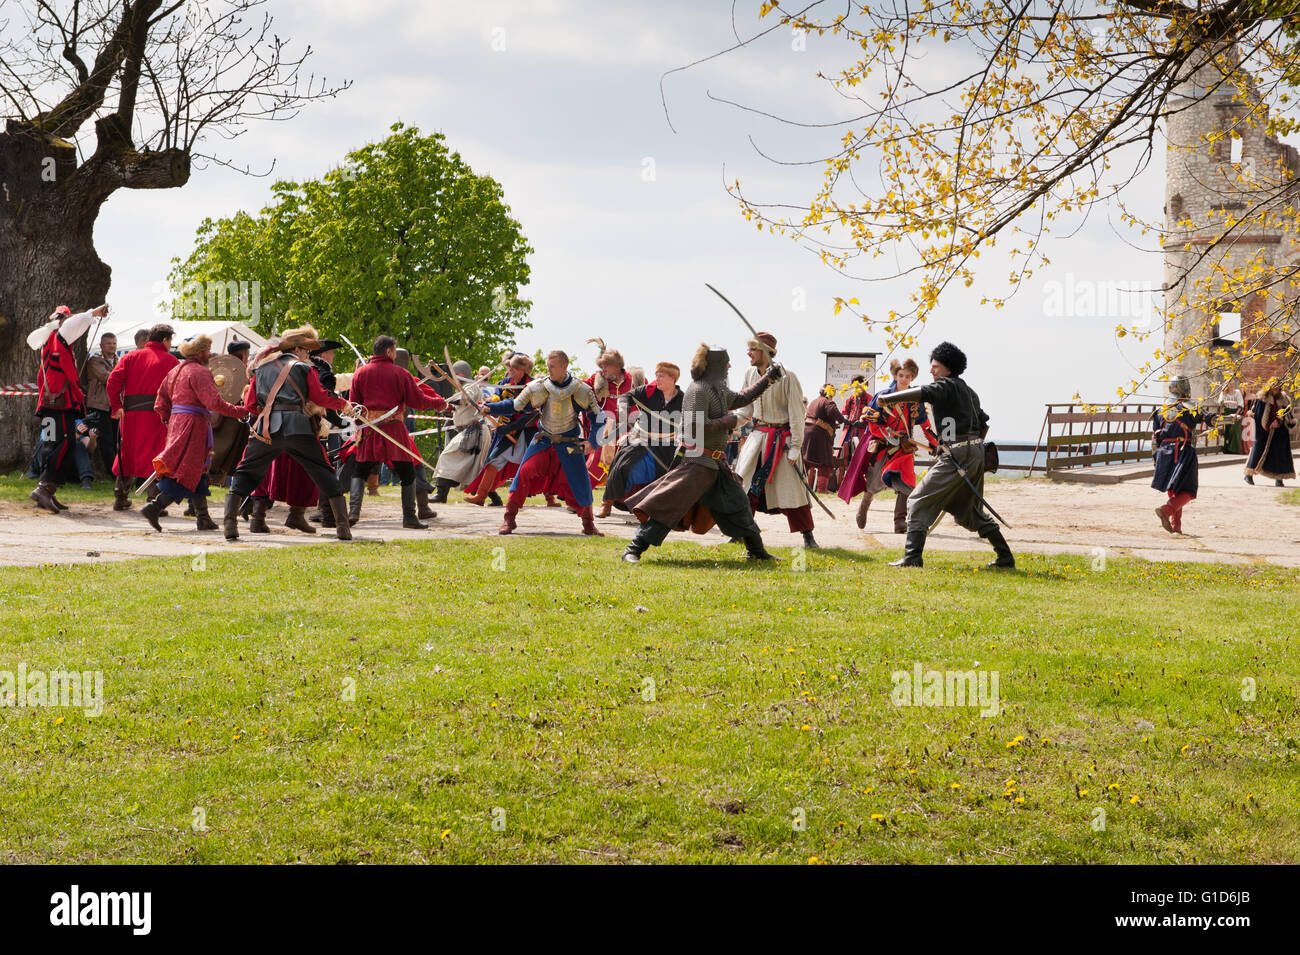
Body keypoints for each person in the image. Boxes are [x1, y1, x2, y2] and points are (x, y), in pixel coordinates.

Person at [622, 344, 783, 562]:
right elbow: (694, 428)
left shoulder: (716, 388)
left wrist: (768, 379)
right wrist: (730, 420)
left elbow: (741, 398)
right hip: (697, 462)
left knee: (740, 505)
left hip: (716, 464)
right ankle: (633, 549)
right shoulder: (698, 390)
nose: (729, 366)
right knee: (671, 505)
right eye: (725, 362)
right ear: (715, 364)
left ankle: (757, 551)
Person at [880, 341, 1014, 568]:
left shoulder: (946, 385)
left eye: (935, 366)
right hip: (974, 453)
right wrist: (970, 449)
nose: (931, 371)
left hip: (958, 455)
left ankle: (912, 558)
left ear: (948, 368)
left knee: (917, 499)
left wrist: (890, 398)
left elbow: (925, 393)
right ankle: (1005, 557)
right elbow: (983, 423)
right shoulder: (969, 392)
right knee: (968, 510)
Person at [224, 325, 356, 541]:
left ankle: (230, 523)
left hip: (266, 429)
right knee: (324, 472)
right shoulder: (305, 369)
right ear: (296, 350)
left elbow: (250, 405)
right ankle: (342, 527)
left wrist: (268, 412)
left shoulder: (261, 369)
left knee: (246, 472)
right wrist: (344, 405)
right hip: (300, 428)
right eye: (305, 350)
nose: (307, 354)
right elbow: (321, 398)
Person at [482, 349, 605, 536]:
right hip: (543, 440)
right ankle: (509, 519)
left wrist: (592, 442)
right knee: (523, 474)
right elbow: (515, 405)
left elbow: (598, 418)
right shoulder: (538, 386)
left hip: (570, 443)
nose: (549, 370)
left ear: (565, 366)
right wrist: (490, 408)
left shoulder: (581, 390)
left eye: (553, 366)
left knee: (581, 481)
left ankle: (588, 524)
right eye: (548, 366)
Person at [143, 335, 246, 531]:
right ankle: (155, 507)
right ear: (200, 352)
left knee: (197, 470)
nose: (210, 354)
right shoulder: (200, 372)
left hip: (178, 423)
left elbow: (160, 402)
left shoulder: (175, 371)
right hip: (193, 426)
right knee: (185, 472)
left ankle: (203, 517)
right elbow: (213, 403)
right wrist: (240, 411)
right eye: (208, 350)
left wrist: (170, 419)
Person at [347, 335, 448, 529]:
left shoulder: (360, 373)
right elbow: (417, 401)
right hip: (393, 429)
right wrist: (439, 403)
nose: (395, 353)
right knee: (407, 473)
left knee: (360, 470)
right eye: (394, 350)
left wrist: (362, 425)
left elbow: (354, 407)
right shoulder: (400, 374)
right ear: (388, 351)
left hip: (370, 429)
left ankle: (353, 512)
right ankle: (409, 517)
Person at [734, 332, 819, 548]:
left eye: (753, 349)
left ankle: (808, 536)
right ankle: (739, 532)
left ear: (765, 351)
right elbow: (745, 409)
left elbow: (797, 414)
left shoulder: (787, 376)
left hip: (782, 440)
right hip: (757, 437)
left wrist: (795, 447)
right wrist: (728, 424)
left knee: (792, 491)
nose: (748, 353)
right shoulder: (749, 373)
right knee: (745, 485)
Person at [27, 304, 106, 513]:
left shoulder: (49, 339)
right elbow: (72, 324)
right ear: (62, 321)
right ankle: (45, 489)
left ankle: (45, 491)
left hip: (49, 405)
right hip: (60, 405)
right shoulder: (58, 336)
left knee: (51, 445)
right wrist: (94, 312)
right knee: (63, 445)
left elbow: (72, 323)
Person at [107, 323, 179, 510]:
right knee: (157, 456)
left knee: (127, 453)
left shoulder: (130, 357)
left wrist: (117, 406)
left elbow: (113, 381)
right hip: (157, 417)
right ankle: (154, 501)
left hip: (131, 415)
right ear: (165, 340)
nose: (171, 344)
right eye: (170, 340)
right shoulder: (171, 361)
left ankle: (120, 497)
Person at [601, 361, 684, 516]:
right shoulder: (648, 391)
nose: (657, 379)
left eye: (661, 376)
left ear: (673, 378)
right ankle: (607, 503)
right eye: (656, 375)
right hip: (640, 439)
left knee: (665, 476)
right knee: (622, 465)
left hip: (667, 444)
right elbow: (626, 396)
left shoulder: (683, 399)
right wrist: (623, 406)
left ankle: (650, 510)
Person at [463, 354, 538, 506]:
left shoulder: (533, 386)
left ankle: (548, 498)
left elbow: (530, 414)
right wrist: (487, 406)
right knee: (493, 461)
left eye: (514, 368)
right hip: (506, 430)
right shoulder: (505, 383)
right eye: (510, 368)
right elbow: (497, 398)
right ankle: (481, 496)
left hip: (527, 432)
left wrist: (510, 427)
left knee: (533, 467)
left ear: (522, 370)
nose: (510, 371)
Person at [1150, 377, 1209, 534]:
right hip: (1182, 450)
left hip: (1163, 452)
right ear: (1185, 389)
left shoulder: (1160, 410)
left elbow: (1154, 437)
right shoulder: (1189, 407)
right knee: (1189, 490)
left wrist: (1155, 458)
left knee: (1175, 490)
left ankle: (1176, 527)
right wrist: (1231, 419)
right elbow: (1209, 418)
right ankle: (1166, 509)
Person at [431, 361, 491, 503]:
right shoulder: (465, 387)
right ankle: (494, 497)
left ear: (460, 374)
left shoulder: (470, 386)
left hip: (475, 430)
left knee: (447, 456)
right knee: (475, 467)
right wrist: (448, 407)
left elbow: (464, 400)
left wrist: (448, 403)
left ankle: (441, 494)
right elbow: (462, 407)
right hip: (473, 431)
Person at [584, 347, 633, 489]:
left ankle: (625, 500)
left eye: (606, 365)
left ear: (617, 366)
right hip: (605, 431)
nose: (603, 368)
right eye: (601, 366)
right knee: (595, 464)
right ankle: (579, 499)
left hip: (628, 431)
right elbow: (578, 387)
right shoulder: (596, 379)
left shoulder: (633, 380)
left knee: (629, 465)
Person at [81, 331, 120, 476]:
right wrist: (122, 376)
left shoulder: (119, 360)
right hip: (99, 406)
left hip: (115, 406)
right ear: (101, 345)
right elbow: (106, 378)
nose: (112, 346)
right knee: (106, 441)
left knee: (117, 441)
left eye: (114, 343)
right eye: (109, 343)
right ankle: (113, 474)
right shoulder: (95, 361)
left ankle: (118, 471)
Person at [1244, 384, 1296, 486]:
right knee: (1258, 449)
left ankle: (1279, 478)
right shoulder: (1262, 398)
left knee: (1280, 452)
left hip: (1280, 430)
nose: (1275, 391)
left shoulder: (1284, 399)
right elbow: (1257, 415)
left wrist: (1278, 421)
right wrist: (1269, 423)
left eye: (1277, 389)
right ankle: (1249, 474)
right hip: (1263, 429)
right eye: (1274, 389)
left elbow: (1288, 414)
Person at [801, 383, 847, 492]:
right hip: (819, 434)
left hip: (807, 431)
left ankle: (799, 487)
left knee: (806, 461)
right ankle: (822, 489)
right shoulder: (828, 402)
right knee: (825, 463)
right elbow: (833, 412)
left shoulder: (814, 401)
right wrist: (844, 420)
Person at [1218, 377, 1246, 455]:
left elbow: (1240, 405)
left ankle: (1235, 450)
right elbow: (1220, 402)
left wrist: (1236, 415)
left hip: (1236, 412)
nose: (1232, 385)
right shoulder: (1224, 392)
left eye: (1233, 384)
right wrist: (1231, 401)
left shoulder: (1237, 392)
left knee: (1235, 430)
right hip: (1227, 412)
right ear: (1227, 385)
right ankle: (1226, 449)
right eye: (1230, 384)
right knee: (1227, 431)